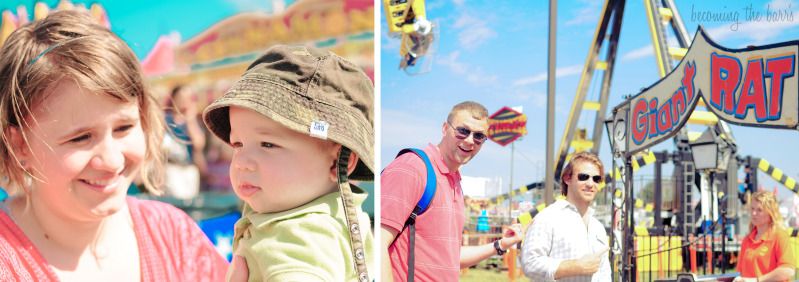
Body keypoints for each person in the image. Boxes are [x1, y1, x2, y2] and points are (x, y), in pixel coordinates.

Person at [0, 10, 227, 281]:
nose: (112, 161)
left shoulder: (175, 236)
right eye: (80, 137)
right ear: (20, 144)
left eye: (124, 128)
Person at [203, 44, 375, 281]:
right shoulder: (306, 213)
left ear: (338, 163)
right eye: (238, 144)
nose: (242, 162)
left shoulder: (300, 234)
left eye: (268, 145)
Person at [381, 101, 523, 282]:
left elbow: (450, 258)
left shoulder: (455, 182)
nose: (470, 140)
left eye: (479, 136)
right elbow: (378, 241)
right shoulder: (412, 167)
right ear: (445, 128)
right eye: (463, 131)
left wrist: (500, 245)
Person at [521, 152, 610, 282]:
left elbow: (604, 273)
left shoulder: (598, 227)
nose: (591, 184)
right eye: (584, 177)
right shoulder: (548, 217)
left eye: (596, 179)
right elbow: (530, 263)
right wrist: (576, 267)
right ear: (567, 178)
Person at [734, 191, 796, 282]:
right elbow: (740, 272)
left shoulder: (780, 236)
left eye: (759, 210)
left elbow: (788, 270)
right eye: (752, 209)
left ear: (770, 213)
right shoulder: (747, 240)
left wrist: (757, 280)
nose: (754, 213)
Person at [163, 85, 207, 199]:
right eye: (181, 97)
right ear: (173, 98)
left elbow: (199, 144)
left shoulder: (194, 121)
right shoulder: (165, 120)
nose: (185, 101)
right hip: (171, 168)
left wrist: (190, 120)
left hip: (189, 169)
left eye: (188, 97)